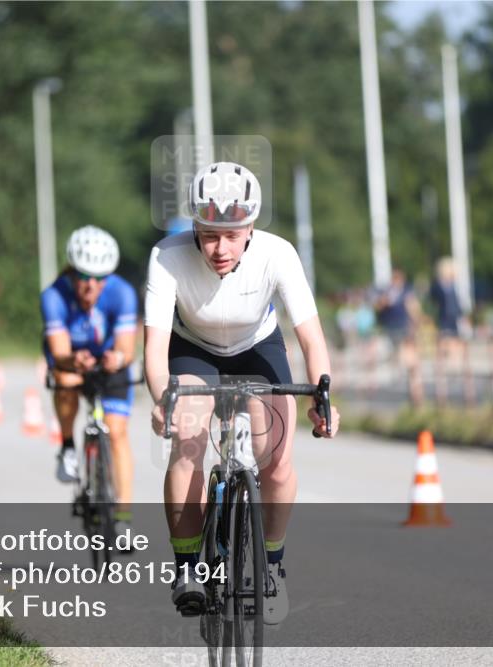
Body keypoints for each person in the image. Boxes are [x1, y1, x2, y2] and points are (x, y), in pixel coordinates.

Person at [143, 161, 340, 625]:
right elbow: (153, 349)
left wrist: (323, 398)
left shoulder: (278, 253)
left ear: (251, 226)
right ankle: (188, 567)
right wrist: (162, 399)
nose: (220, 248)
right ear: (195, 224)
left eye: (232, 235)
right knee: (187, 439)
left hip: (258, 347)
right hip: (193, 349)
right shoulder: (166, 256)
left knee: (276, 458)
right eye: (209, 234)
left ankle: (271, 565)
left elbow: (311, 338)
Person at [40, 226, 138, 534]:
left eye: (99, 278)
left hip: (110, 363)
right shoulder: (54, 296)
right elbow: (59, 351)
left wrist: (117, 359)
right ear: (72, 271)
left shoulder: (122, 293)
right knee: (65, 379)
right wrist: (74, 360)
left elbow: (126, 347)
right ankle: (68, 447)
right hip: (73, 359)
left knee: (118, 433)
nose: (90, 285)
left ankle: (122, 519)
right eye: (83, 276)